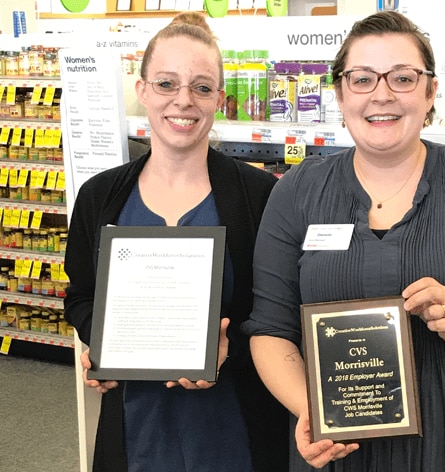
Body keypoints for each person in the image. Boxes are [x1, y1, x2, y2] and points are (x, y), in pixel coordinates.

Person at [243, 11, 445, 472]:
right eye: (363, 78)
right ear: (339, 92)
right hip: (341, 455)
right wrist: (312, 411)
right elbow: (271, 331)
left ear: (431, 92)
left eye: (403, 78)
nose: (382, 94)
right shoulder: (297, 191)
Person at [64, 14, 288, 472]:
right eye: (167, 83)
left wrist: (232, 352)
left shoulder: (259, 197)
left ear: (219, 100)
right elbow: (81, 296)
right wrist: (103, 343)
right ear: (143, 89)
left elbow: (278, 313)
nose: (183, 101)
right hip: (137, 428)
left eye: (202, 87)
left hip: (232, 428)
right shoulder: (100, 197)